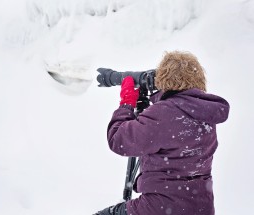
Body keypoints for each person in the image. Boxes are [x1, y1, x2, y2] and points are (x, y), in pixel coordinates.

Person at [94, 51, 230, 215]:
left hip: (161, 207)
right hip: (201, 207)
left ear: (165, 79)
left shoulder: (165, 113)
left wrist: (126, 105)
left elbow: (118, 140)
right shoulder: (206, 113)